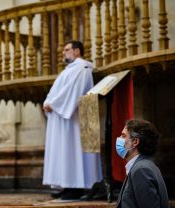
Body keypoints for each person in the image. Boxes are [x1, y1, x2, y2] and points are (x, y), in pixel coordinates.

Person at [42, 40, 103, 200]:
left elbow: (74, 92)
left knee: (74, 151)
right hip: (65, 117)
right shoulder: (68, 70)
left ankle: (77, 187)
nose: (64, 53)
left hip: (75, 118)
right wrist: (47, 103)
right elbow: (56, 91)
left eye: (67, 49)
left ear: (77, 51)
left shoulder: (82, 68)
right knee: (67, 152)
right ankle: (68, 185)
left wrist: (53, 104)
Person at [115, 119, 169, 208]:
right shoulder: (145, 166)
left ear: (135, 142)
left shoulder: (141, 169)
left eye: (123, 136)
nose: (119, 139)